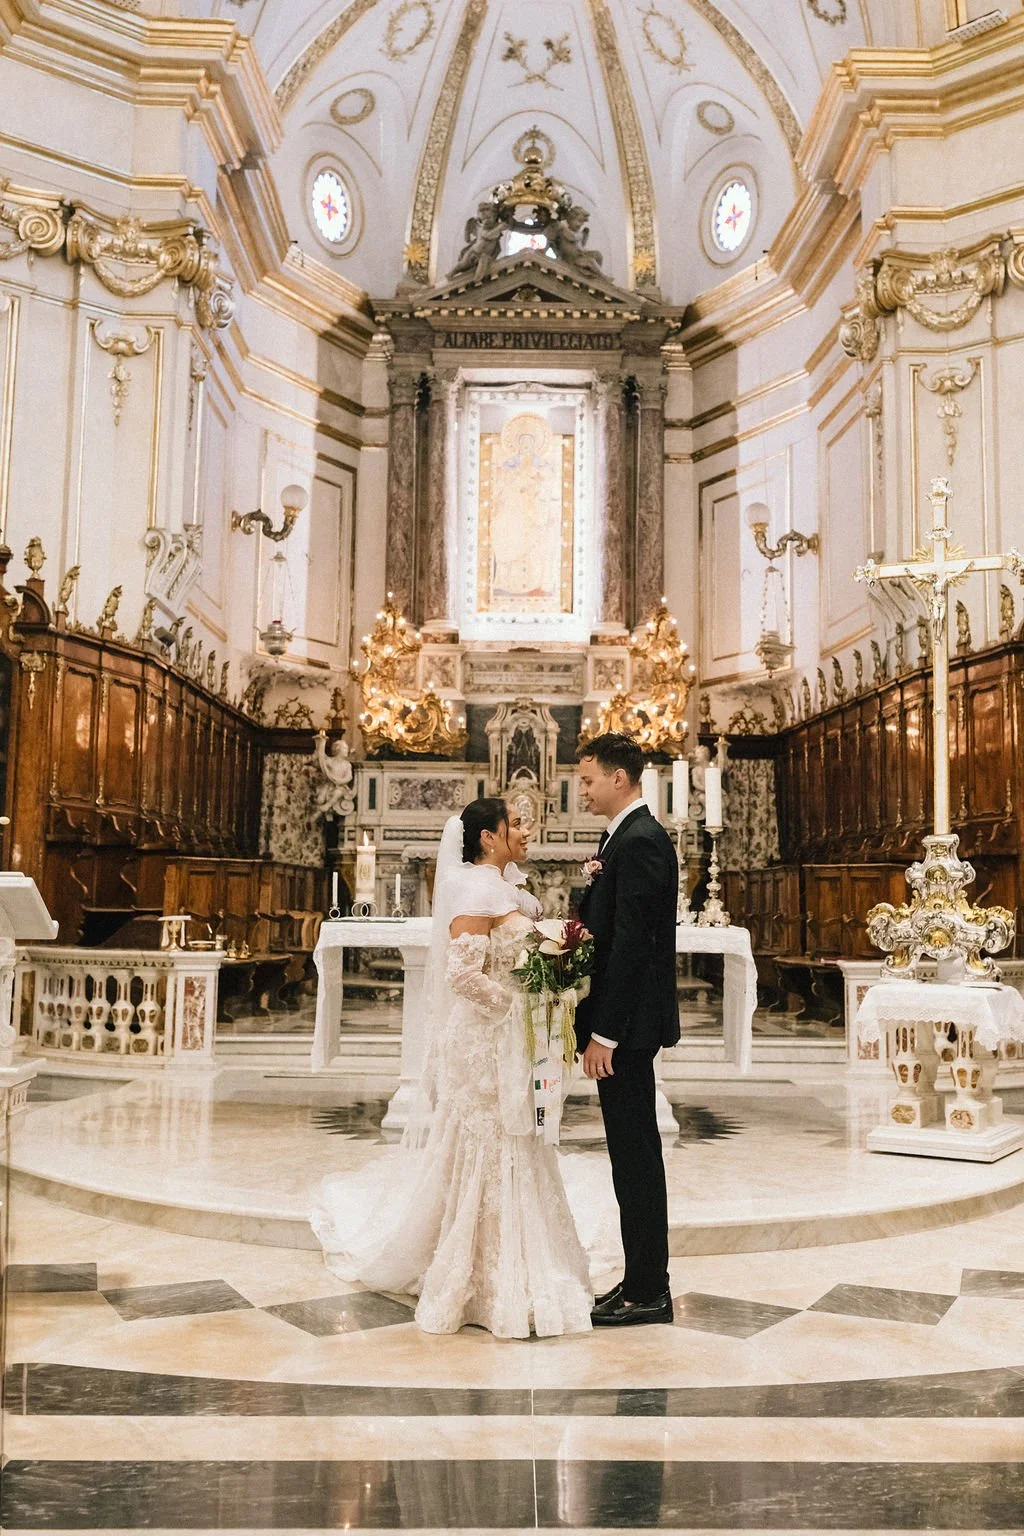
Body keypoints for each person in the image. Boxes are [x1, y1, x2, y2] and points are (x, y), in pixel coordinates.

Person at [312, 799, 593, 1339]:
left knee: (519, 1136)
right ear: (489, 838)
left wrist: (550, 984)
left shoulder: (508, 888)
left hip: (509, 1036)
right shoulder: (475, 888)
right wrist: (518, 1007)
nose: (527, 830)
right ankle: (473, 1272)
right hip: (485, 1040)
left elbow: (522, 951)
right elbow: (463, 975)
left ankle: (517, 1254)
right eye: (517, 824)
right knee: (489, 1139)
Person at [574, 732, 680, 1327]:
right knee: (628, 1155)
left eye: (588, 780)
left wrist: (605, 1035)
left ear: (620, 778)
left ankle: (649, 1289)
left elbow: (634, 947)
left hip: (629, 1030)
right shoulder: (622, 838)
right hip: (627, 1026)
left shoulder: (639, 842)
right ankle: (640, 1280)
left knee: (636, 1156)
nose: (582, 791)